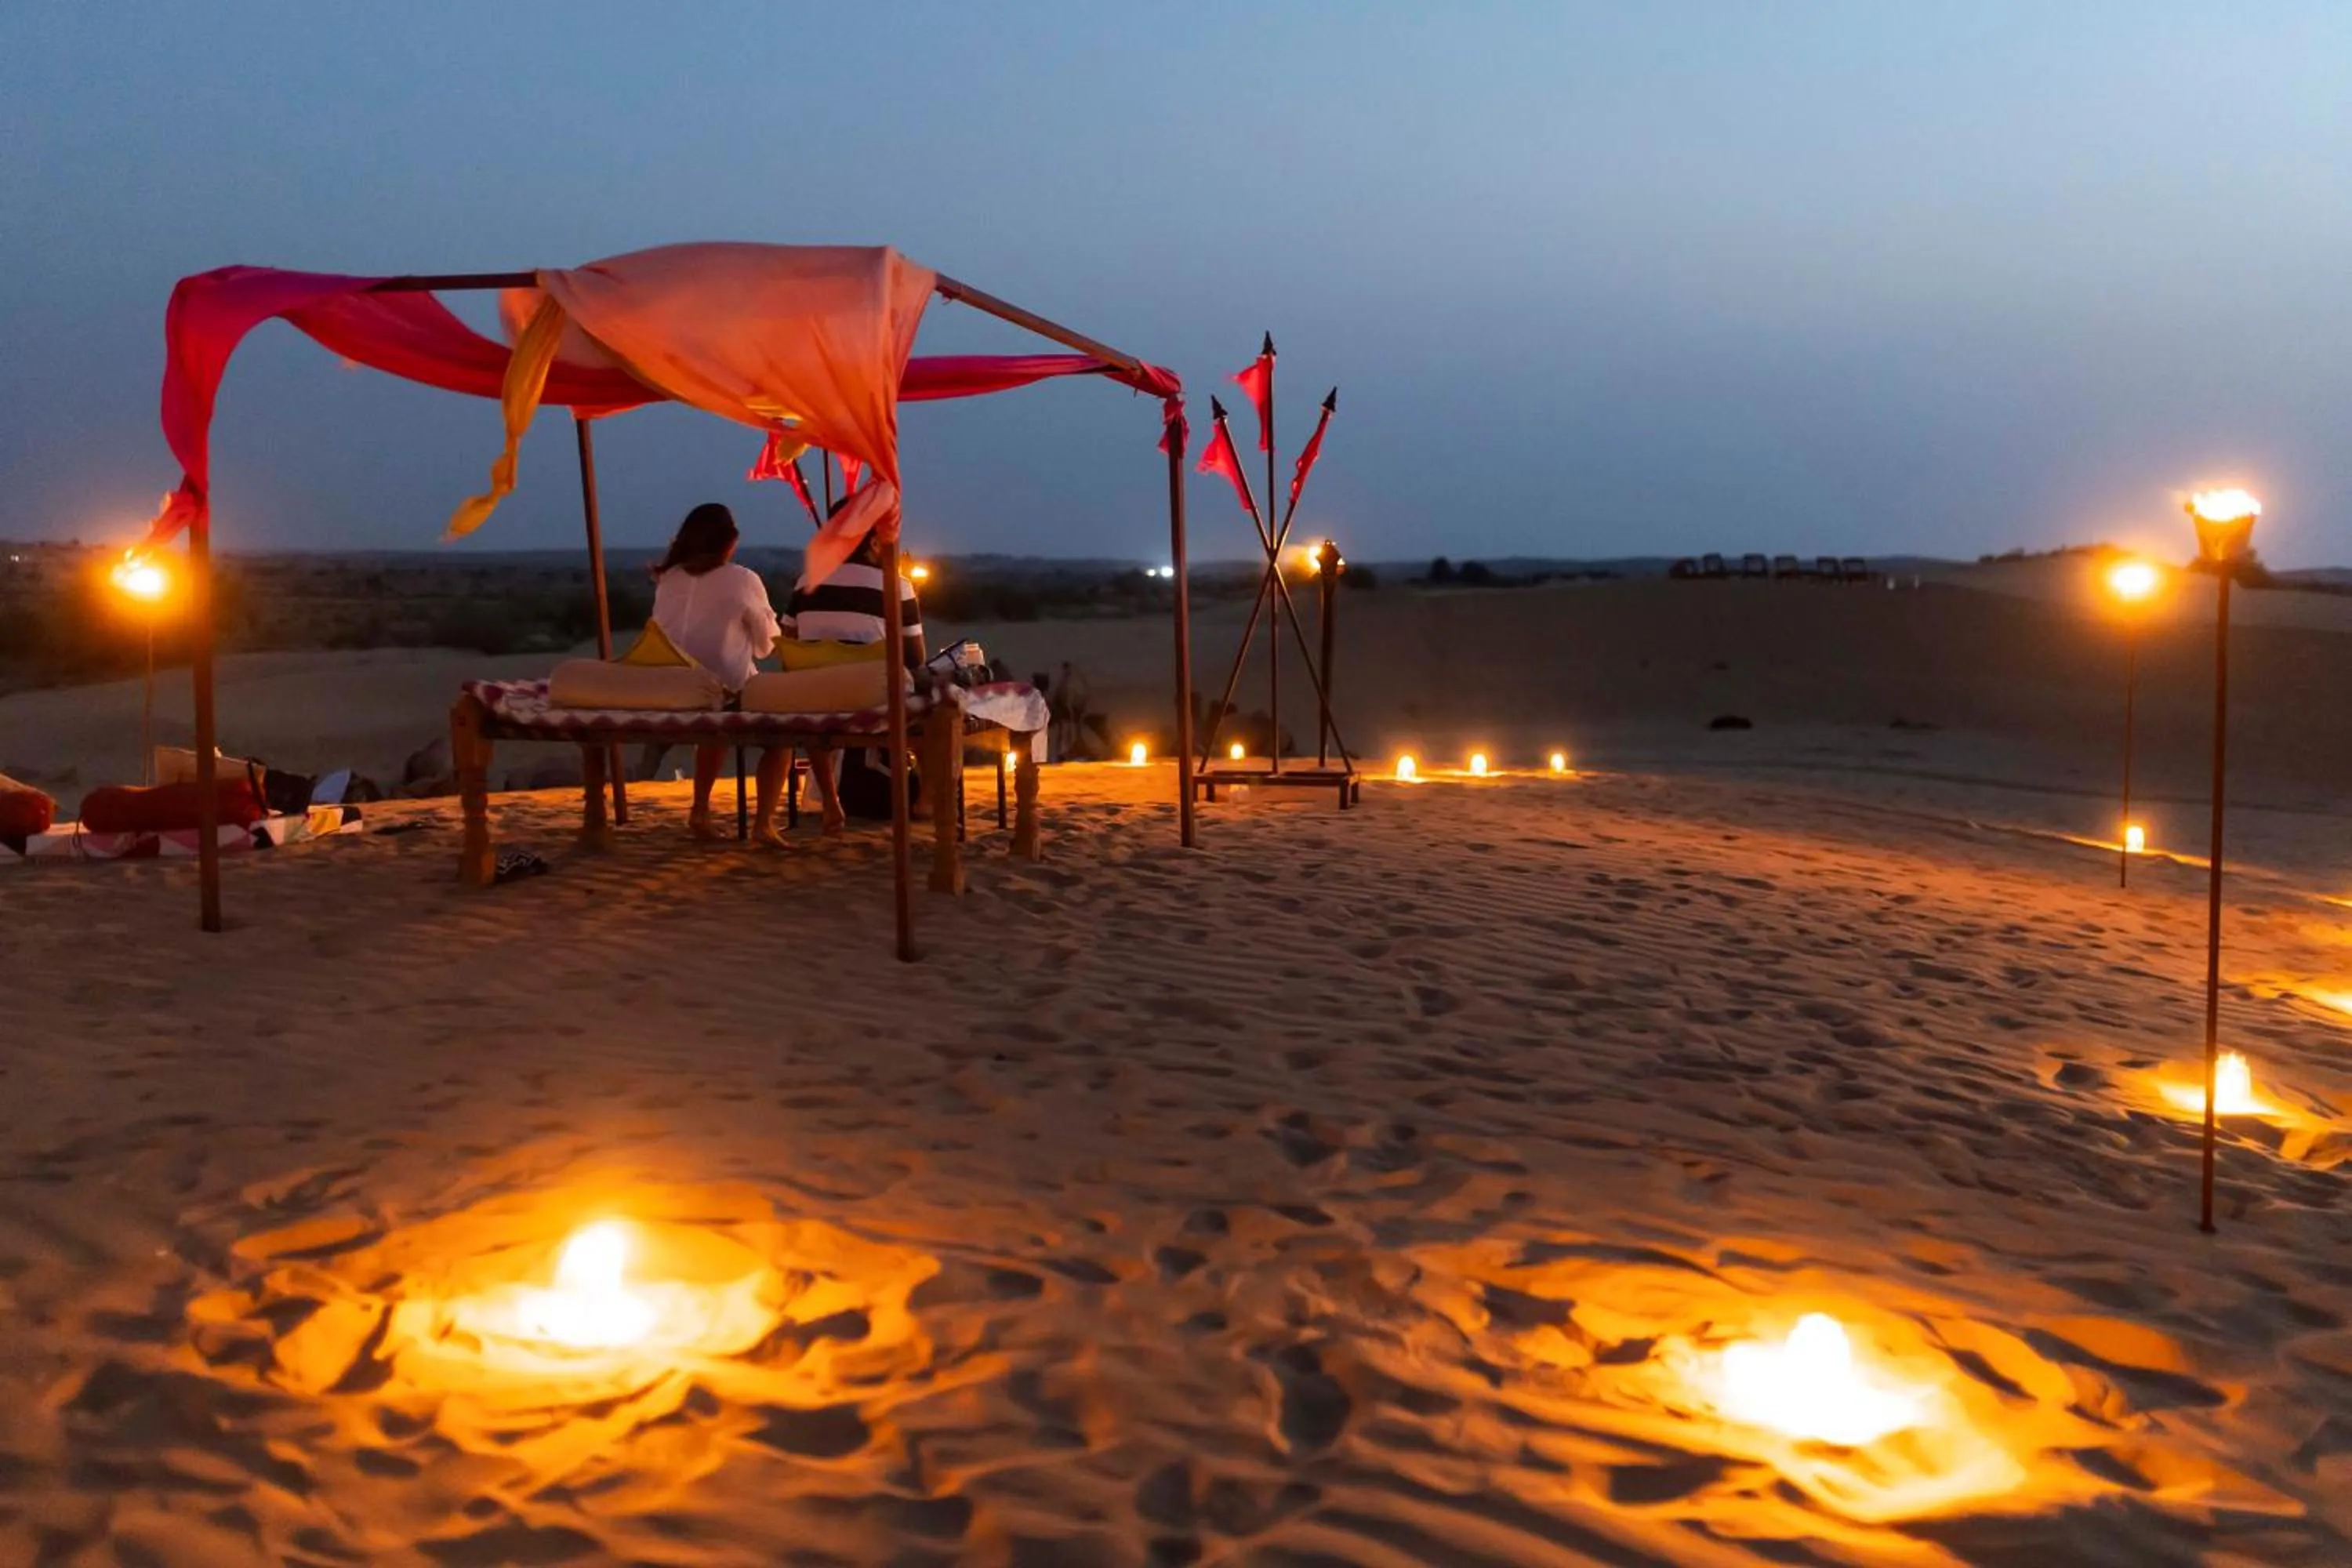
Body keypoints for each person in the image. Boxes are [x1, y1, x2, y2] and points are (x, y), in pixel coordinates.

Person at [646, 503, 789, 846]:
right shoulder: (743, 579)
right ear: (730, 542)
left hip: (672, 688)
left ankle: (700, 811)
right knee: (783, 735)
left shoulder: (669, 578)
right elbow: (766, 646)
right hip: (721, 693)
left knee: (716, 726)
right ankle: (764, 824)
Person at [782, 511, 926, 826]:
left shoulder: (806, 581)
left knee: (820, 696)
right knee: (934, 700)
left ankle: (830, 801)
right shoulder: (897, 585)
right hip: (873, 700)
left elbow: (788, 643)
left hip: (813, 699)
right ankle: (926, 799)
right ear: (873, 542)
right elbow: (915, 659)